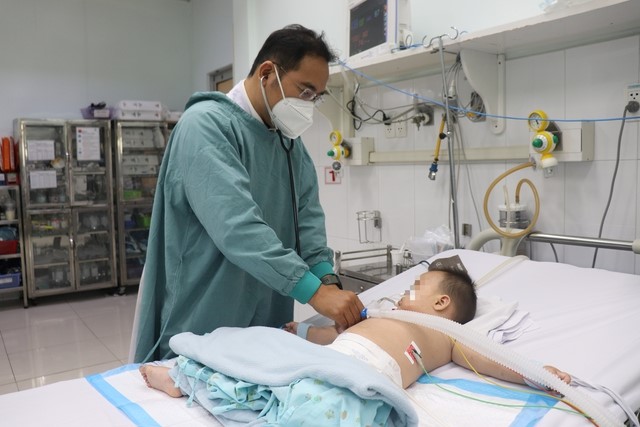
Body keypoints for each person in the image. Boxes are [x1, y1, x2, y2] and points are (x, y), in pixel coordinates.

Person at [131, 24, 364, 363]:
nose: (309, 105)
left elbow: (308, 224)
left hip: (265, 317)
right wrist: (313, 292)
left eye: (316, 97)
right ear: (267, 73)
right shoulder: (206, 126)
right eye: (305, 91)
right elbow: (237, 228)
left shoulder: (289, 144)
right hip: (203, 314)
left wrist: (327, 280)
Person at [139, 266, 570, 400]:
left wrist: (535, 373)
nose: (405, 290)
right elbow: (335, 336)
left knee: (293, 396)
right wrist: (301, 333)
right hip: (331, 359)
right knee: (259, 352)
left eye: (416, 286)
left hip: (364, 373)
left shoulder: (448, 334)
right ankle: (189, 375)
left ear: (441, 304)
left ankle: (191, 383)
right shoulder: (383, 315)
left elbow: (488, 360)